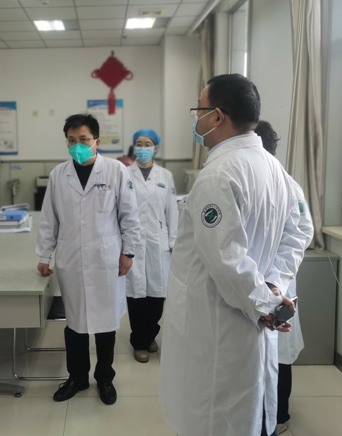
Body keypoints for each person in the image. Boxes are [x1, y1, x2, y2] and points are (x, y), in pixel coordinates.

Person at [159, 74, 313, 436]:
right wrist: (274, 285)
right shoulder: (276, 170)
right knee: (246, 408)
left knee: (216, 415)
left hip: (219, 325)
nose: (196, 118)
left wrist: (267, 303)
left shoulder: (219, 174)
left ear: (216, 116)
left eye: (199, 109)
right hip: (250, 316)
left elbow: (227, 260)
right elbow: (298, 234)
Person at [36, 113, 141, 405]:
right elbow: (49, 218)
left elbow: (130, 216)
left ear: (96, 141)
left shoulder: (116, 171)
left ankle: (105, 378)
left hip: (106, 258)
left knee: (106, 323)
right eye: (71, 141)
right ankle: (77, 377)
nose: (77, 146)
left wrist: (128, 252)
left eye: (83, 139)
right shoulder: (59, 175)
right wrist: (44, 254)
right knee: (75, 324)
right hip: (71, 258)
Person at [255, 120, 314, 435]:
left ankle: (278, 416)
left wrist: (274, 281)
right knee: (255, 354)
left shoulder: (287, 185)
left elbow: (302, 232)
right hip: (251, 286)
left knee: (279, 353)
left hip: (277, 286)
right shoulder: (241, 180)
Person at [125, 128, 178, 363]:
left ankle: (150, 334)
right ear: (134, 147)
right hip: (134, 242)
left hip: (158, 242)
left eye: (148, 144)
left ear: (156, 147)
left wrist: (174, 241)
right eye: (139, 143)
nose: (143, 148)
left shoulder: (165, 176)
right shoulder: (125, 174)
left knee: (157, 295)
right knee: (136, 294)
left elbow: (172, 210)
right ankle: (139, 342)